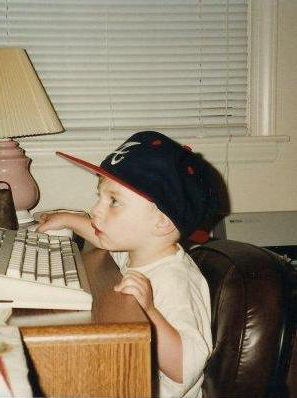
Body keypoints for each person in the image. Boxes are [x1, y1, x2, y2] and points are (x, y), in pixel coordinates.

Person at [36, 130, 219, 398]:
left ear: (162, 223)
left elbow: (185, 367)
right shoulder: (138, 250)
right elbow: (101, 240)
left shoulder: (175, 280)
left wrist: (150, 311)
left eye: (113, 201)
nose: (97, 209)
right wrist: (67, 219)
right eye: (99, 196)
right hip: (126, 376)